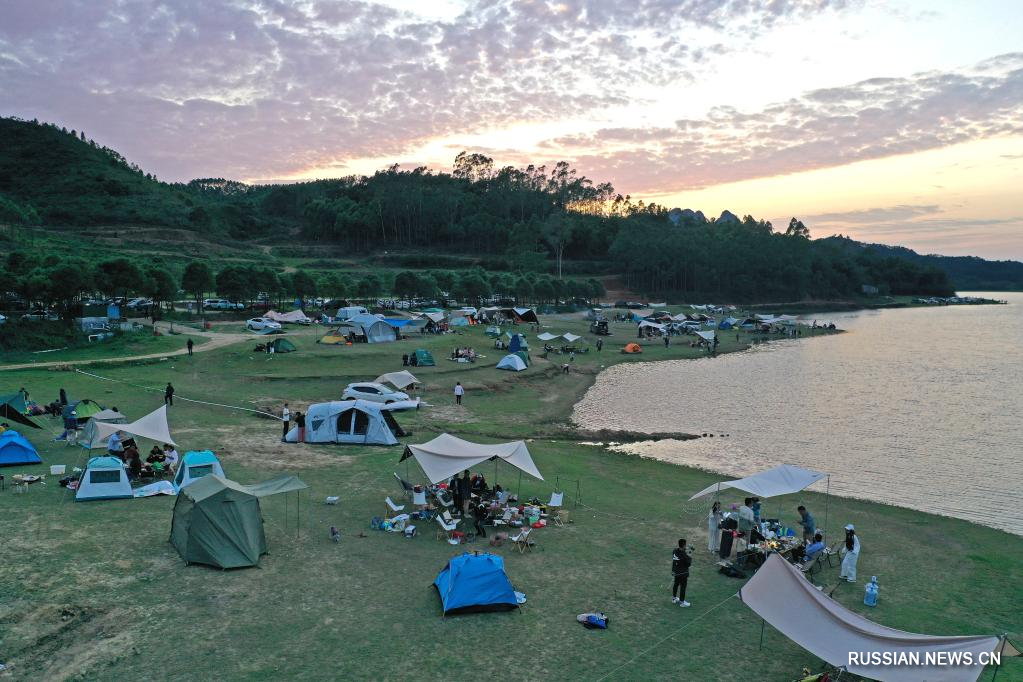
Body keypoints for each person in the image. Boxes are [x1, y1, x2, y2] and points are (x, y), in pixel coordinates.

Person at [671, 538, 692, 607]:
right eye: (685, 545)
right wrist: (690, 554)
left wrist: (685, 550)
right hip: (683, 574)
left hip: (676, 572)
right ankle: (682, 602)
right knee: (683, 587)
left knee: (676, 584)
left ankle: (674, 598)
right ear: (683, 545)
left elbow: (679, 554)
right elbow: (688, 564)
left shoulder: (675, 551)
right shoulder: (684, 555)